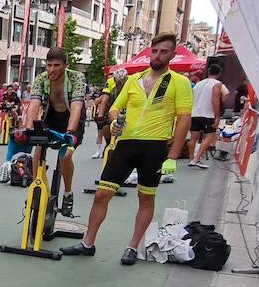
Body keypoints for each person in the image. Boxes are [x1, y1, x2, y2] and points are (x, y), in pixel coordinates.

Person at [61, 34, 192, 265]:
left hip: (155, 147)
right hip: (125, 145)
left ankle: (132, 247)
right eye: (155, 51)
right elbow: (115, 109)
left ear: (172, 55)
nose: (158, 55)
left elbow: (184, 119)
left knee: (145, 198)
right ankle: (87, 243)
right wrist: (114, 123)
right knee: (102, 194)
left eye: (163, 52)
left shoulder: (179, 83)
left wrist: (172, 156)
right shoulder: (134, 80)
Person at [25, 47, 86, 217]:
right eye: (49, 65)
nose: (52, 69)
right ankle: (37, 188)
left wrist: (71, 132)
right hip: (51, 118)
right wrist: (28, 129)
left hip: (72, 119)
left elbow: (76, 108)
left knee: (65, 155)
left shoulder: (76, 78)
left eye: (56, 65)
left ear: (65, 65)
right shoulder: (41, 78)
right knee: (37, 151)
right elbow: (34, 105)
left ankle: (67, 193)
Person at [187, 63, 226, 168]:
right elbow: (215, 99)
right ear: (219, 73)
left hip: (195, 113)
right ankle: (197, 158)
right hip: (208, 114)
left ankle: (191, 158)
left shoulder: (198, 84)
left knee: (193, 138)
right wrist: (217, 116)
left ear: (208, 72)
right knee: (209, 137)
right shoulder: (217, 84)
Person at [93, 68, 129, 159]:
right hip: (112, 107)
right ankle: (109, 142)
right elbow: (105, 98)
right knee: (105, 127)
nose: (120, 85)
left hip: (127, 108)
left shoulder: (131, 81)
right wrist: (101, 115)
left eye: (122, 82)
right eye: (118, 82)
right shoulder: (110, 82)